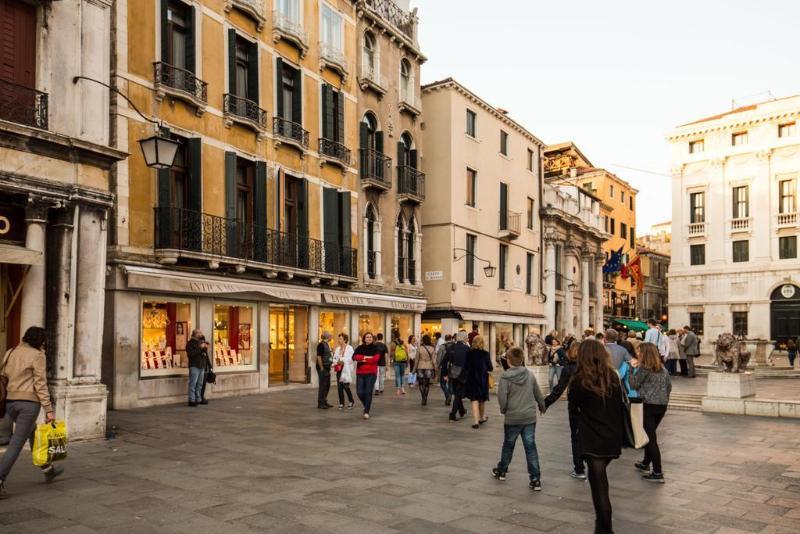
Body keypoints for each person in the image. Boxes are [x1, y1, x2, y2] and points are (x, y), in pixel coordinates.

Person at [568, 339, 625, 534]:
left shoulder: (579, 379)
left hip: (592, 437)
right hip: (612, 435)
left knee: (599, 488)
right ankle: (600, 528)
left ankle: (606, 530)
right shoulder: (613, 377)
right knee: (599, 482)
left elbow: (573, 409)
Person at [0, 326, 64, 498]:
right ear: (40, 341)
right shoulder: (38, 356)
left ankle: (48, 469)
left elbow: (3, 374)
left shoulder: (10, 351)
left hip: (10, 403)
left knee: (33, 434)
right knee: (16, 443)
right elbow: (40, 384)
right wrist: (49, 410)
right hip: (28, 405)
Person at [492, 346, 546, 491]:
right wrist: (542, 406)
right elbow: (538, 393)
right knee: (530, 446)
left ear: (508, 361)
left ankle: (502, 470)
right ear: (522, 359)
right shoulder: (529, 375)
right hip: (529, 417)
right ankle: (535, 479)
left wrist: (504, 409)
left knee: (508, 444)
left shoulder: (505, 377)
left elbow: (502, 397)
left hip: (513, 417)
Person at [629, 342, 672, 483]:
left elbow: (633, 384)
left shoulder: (644, 368)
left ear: (644, 353)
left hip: (648, 405)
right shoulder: (663, 369)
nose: (638, 354)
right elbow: (669, 387)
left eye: (639, 351)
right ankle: (646, 462)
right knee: (649, 434)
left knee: (651, 439)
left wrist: (630, 369)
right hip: (662, 406)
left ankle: (658, 472)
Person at [543, 342, 584, 479]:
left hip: (575, 406)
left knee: (576, 437)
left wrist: (546, 403)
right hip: (590, 406)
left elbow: (559, 389)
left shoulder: (569, 368)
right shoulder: (590, 367)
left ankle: (579, 469)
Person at [465, 335, 493, 429]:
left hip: (472, 378)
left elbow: (466, 367)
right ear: (482, 343)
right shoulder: (485, 354)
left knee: (474, 399)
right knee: (482, 399)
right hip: (482, 379)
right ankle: (481, 417)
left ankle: (476, 421)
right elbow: (490, 368)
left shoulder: (469, 353)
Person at [352, 332, 380, 419]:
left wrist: (362, 359)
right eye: (367, 337)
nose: (369, 338)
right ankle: (366, 405)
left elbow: (375, 359)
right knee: (359, 392)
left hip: (371, 373)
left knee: (368, 392)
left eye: (370, 337)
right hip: (360, 373)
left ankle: (366, 411)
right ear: (364, 339)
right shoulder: (360, 348)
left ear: (373, 338)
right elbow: (354, 357)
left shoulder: (376, 348)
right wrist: (367, 358)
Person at [446, 330, 470, 421]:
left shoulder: (452, 347)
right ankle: (452, 414)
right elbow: (468, 363)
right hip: (462, 374)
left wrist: (445, 373)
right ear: (464, 338)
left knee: (457, 393)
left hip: (453, 373)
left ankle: (462, 410)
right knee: (458, 394)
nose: (468, 339)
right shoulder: (467, 349)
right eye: (467, 337)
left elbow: (446, 360)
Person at [332, 333, 355, 410]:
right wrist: (336, 362)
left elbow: (351, 359)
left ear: (345, 340)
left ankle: (351, 401)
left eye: (340, 339)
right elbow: (334, 358)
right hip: (339, 369)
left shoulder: (350, 348)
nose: (339, 340)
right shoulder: (337, 349)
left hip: (346, 369)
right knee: (339, 387)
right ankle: (341, 403)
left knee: (346, 386)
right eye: (338, 339)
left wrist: (342, 360)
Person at [186, 329, 208, 407]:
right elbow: (191, 354)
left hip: (201, 365)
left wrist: (205, 347)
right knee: (193, 384)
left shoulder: (200, 342)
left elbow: (203, 353)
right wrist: (200, 348)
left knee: (199, 384)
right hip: (194, 366)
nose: (201, 334)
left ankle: (198, 399)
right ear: (195, 334)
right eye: (200, 333)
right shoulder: (190, 343)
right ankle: (191, 400)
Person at [415, 335, 436, 406]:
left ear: (423, 340)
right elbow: (434, 360)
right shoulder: (432, 349)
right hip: (429, 367)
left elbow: (416, 360)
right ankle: (425, 398)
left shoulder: (419, 348)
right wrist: (436, 368)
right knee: (427, 384)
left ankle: (423, 397)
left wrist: (414, 369)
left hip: (420, 367)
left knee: (420, 383)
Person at [315, 332, 334, 409]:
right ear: (327, 337)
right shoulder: (321, 345)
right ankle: (321, 403)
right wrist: (321, 367)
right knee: (323, 385)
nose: (331, 337)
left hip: (327, 367)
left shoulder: (327, 344)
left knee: (327, 385)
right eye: (330, 336)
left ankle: (324, 400)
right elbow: (319, 357)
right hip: (323, 368)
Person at [437, 334, 454, 405]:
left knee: (442, 383)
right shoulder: (455, 346)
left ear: (445, 339)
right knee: (450, 383)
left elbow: (439, 358)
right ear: (451, 338)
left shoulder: (442, 346)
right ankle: (450, 395)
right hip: (453, 367)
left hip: (444, 367)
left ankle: (447, 395)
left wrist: (438, 366)